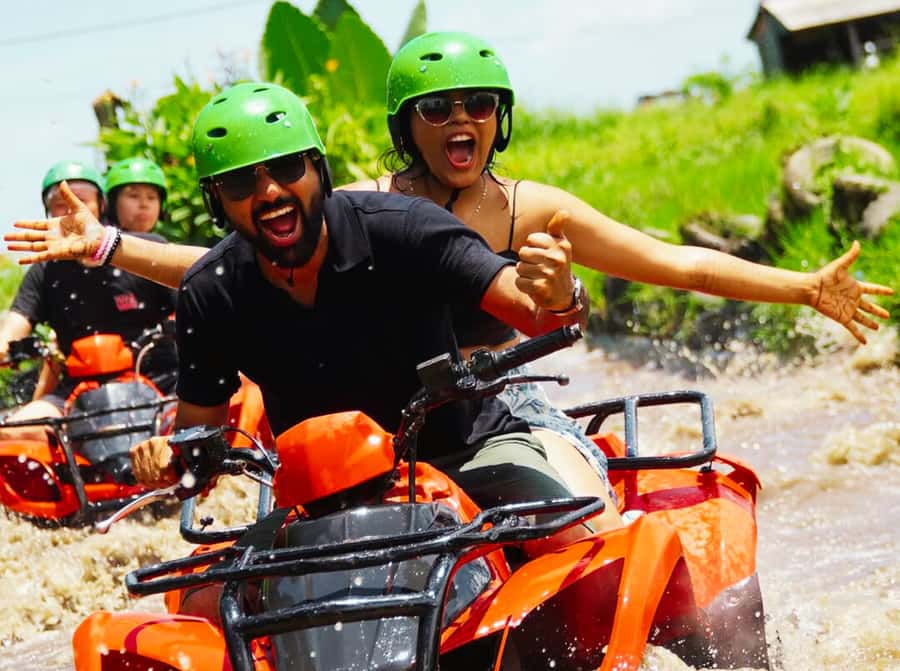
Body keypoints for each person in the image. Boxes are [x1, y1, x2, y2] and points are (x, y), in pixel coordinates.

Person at [6, 36, 891, 519]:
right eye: (437, 108)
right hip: (359, 427)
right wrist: (103, 249)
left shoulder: (535, 212)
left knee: (576, 508)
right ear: (408, 127)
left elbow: (681, 264)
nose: (458, 120)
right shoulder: (362, 208)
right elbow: (225, 268)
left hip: (483, 405)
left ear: (497, 122)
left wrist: (803, 287)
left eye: (476, 106)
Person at [110, 82, 592, 550]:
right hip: (324, 493)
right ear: (216, 200)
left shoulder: (407, 230)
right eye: (240, 182)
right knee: (209, 599)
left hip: (465, 452)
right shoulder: (209, 291)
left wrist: (559, 291)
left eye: (285, 166)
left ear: (319, 170)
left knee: (567, 539)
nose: (270, 191)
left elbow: (541, 318)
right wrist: (172, 460)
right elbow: (201, 444)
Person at [0, 160, 177, 439]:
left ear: (100, 207)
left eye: (81, 200)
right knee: (11, 435)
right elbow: (15, 323)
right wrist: (3, 346)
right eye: (59, 203)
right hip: (77, 393)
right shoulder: (44, 270)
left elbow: (198, 301)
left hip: (160, 385)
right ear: (48, 213)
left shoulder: (138, 248)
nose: (71, 208)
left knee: (200, 428)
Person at [104, 156, 168, 234]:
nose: (144, 204)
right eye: (134, 196)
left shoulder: (164, 245)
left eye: (151, 197)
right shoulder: (100, 243)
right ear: (112, 203)